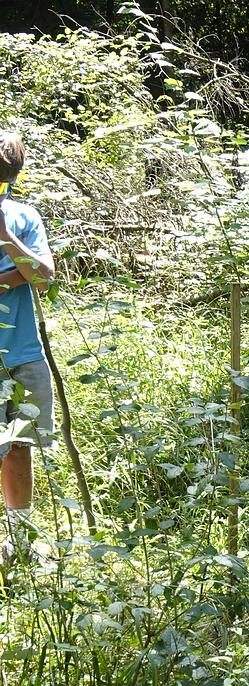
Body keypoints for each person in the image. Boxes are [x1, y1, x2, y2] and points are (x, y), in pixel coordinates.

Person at [0, 131, 56, 565]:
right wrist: (15, 276)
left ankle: (18, 545)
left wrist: (4, 235)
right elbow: (28, 274)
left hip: (22, 357)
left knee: (19, 448)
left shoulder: (23, 217)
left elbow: (42, 275)